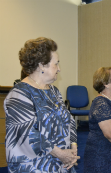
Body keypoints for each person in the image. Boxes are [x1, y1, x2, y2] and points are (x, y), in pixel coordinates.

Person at [4, 37, 80, 172]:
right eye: (56, 64)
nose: (59, 69)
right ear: (41, 65)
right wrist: (60, 154)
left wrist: (73, 147)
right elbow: (28, 134)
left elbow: (69, 121)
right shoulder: (19, 94)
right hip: (35, 166)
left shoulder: (54, 91)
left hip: (62, 163)